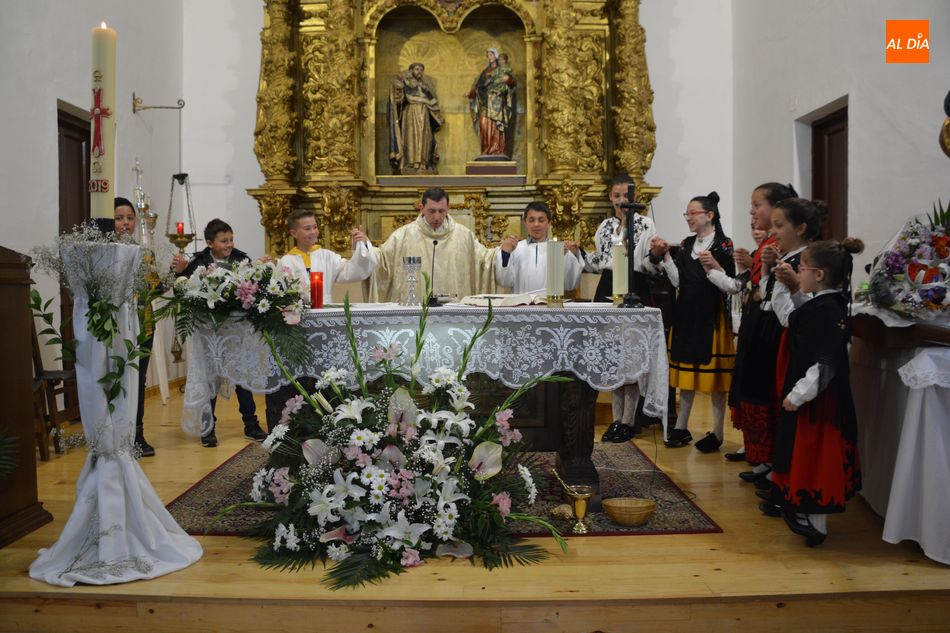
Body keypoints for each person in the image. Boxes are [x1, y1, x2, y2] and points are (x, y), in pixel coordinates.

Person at [769, 238, 864, 546]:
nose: (799, 271)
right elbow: (797, 320)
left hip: (817, 402)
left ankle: (817, 524)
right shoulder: (823, 304)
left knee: (816, 458)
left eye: (803, 268)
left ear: (819, 275)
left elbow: (827, 362)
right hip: (811, 395)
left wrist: (799, 394)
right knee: (805, 456)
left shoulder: (827, 310)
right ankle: (806, 514)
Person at [736, 196, 827, 491]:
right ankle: (769, 459)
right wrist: (765, 270)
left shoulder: (807, 261)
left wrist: (786, 282)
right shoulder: (786, 257)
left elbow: (795, 310)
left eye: (779, 226)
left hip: (783, 334)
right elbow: (766, 295)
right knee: (761, 391)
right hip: (768, 329)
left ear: (800, 229)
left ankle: (779, 464)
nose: (773, 233)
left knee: (777, 397)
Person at [704, 182, 797, 463]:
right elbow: (748, 286)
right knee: (750, 387)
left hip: (769, 328)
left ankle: (766, 456)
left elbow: (761, 291)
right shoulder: (767, 246)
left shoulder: (778, 248)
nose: (752, 212)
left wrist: (754, 267)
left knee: (763, 390)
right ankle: (757, 451)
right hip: (754, 324)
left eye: (758, 205)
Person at [647, 192, 735, 452]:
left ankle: (717, 432)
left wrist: (715, 266)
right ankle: (681, 427)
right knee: (685, 377)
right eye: (686, 214)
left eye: (692, 213)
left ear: (709, 215)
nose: (688, 218)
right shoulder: (686, 244)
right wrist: (665, 256)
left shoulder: (723, 245)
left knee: (715, 383)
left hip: (710, 316)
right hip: (685, 314)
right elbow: (677, 281)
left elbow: (731, 284)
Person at [172, 219, 269, 447]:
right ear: (209, 243)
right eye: (223, 241)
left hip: (236, 332)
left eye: (231, 239)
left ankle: (251, 424)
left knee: (241, 379)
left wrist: (258, 272)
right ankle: (208, 428)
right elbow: (182, 290)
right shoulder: (197, 263)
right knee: (211, 378)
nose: (229, 245)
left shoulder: (241, 259)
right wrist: (179, 272)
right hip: (209, 333)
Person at [589, 175, 657, 443]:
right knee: (612, 355)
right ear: (610, 197)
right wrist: (578, 256)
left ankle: (629, 419)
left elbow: (647, 263)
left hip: (633, 283)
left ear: (635, 196)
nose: (621, 202)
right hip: (607, 285)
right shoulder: (605, 226)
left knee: (631, 353)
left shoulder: (645, 224)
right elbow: (598, 261)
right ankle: (616, 419)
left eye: (625, 196)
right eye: (616, 196)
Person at [365, 187, 498, 303]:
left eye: (441, 211)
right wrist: (366, 246)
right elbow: (382, 260)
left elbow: (485, 259)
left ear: (448, 209)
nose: (437, 217)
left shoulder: (464, 236)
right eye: (432, 211)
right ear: (422, 208)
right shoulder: (403, 236)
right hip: (416, 313)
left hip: (452, 312)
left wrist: (501, 252)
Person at [114, 197, 156, 457]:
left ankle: (137, 434)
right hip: (117, 327)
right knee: (118, 379)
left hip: (144, 326)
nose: (126, 223)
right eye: (120, 218)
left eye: (130, 218)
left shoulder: (145, 252)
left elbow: (155, 286)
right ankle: (116, 434)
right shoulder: (103, 253)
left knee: (138, 381)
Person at [278, 209, 377, 305]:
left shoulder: (327, 257)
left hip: (324, 309)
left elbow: (353, 271)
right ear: (293, 233)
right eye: (307, 228)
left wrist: (363, 245)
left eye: (315, 227)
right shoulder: (286, 261)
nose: (313, 232)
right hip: (296, 314)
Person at [495, 201, 584, 294]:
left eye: (541, 220)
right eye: (531, 220)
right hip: (522, 305)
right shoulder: (516, 248)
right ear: (525, 222)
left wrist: (568, 256)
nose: (536, 224)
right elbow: (504, 282)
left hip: (549, 306)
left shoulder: (558, 249)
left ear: (549, 223)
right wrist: (506, 253)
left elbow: (570, 284)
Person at [388, 62, 444, 175]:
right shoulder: (406, 83)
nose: (419, 71)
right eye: (417, 69)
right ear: (411, 71)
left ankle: (423, 163)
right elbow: (398, 99)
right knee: (411, 137)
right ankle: (410, 162)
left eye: (421, 70)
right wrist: (397, 85)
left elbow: (433, 102)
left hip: (424, 113)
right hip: (411, 112)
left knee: (425, 138)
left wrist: (438, 116)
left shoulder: (425, 86)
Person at [466, 48, 516, 157]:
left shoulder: (502, 69)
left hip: (497, 101)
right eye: (488, 55)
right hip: (485, 100)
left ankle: (498, 149)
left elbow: (512, 83)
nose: (490, 56)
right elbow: (479, 86)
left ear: (496, 56)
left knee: (496, 125)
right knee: (484, 124)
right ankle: (486, 149)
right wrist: (471, 93)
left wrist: (508, 80)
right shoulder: (485, 71)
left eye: (491, 54)